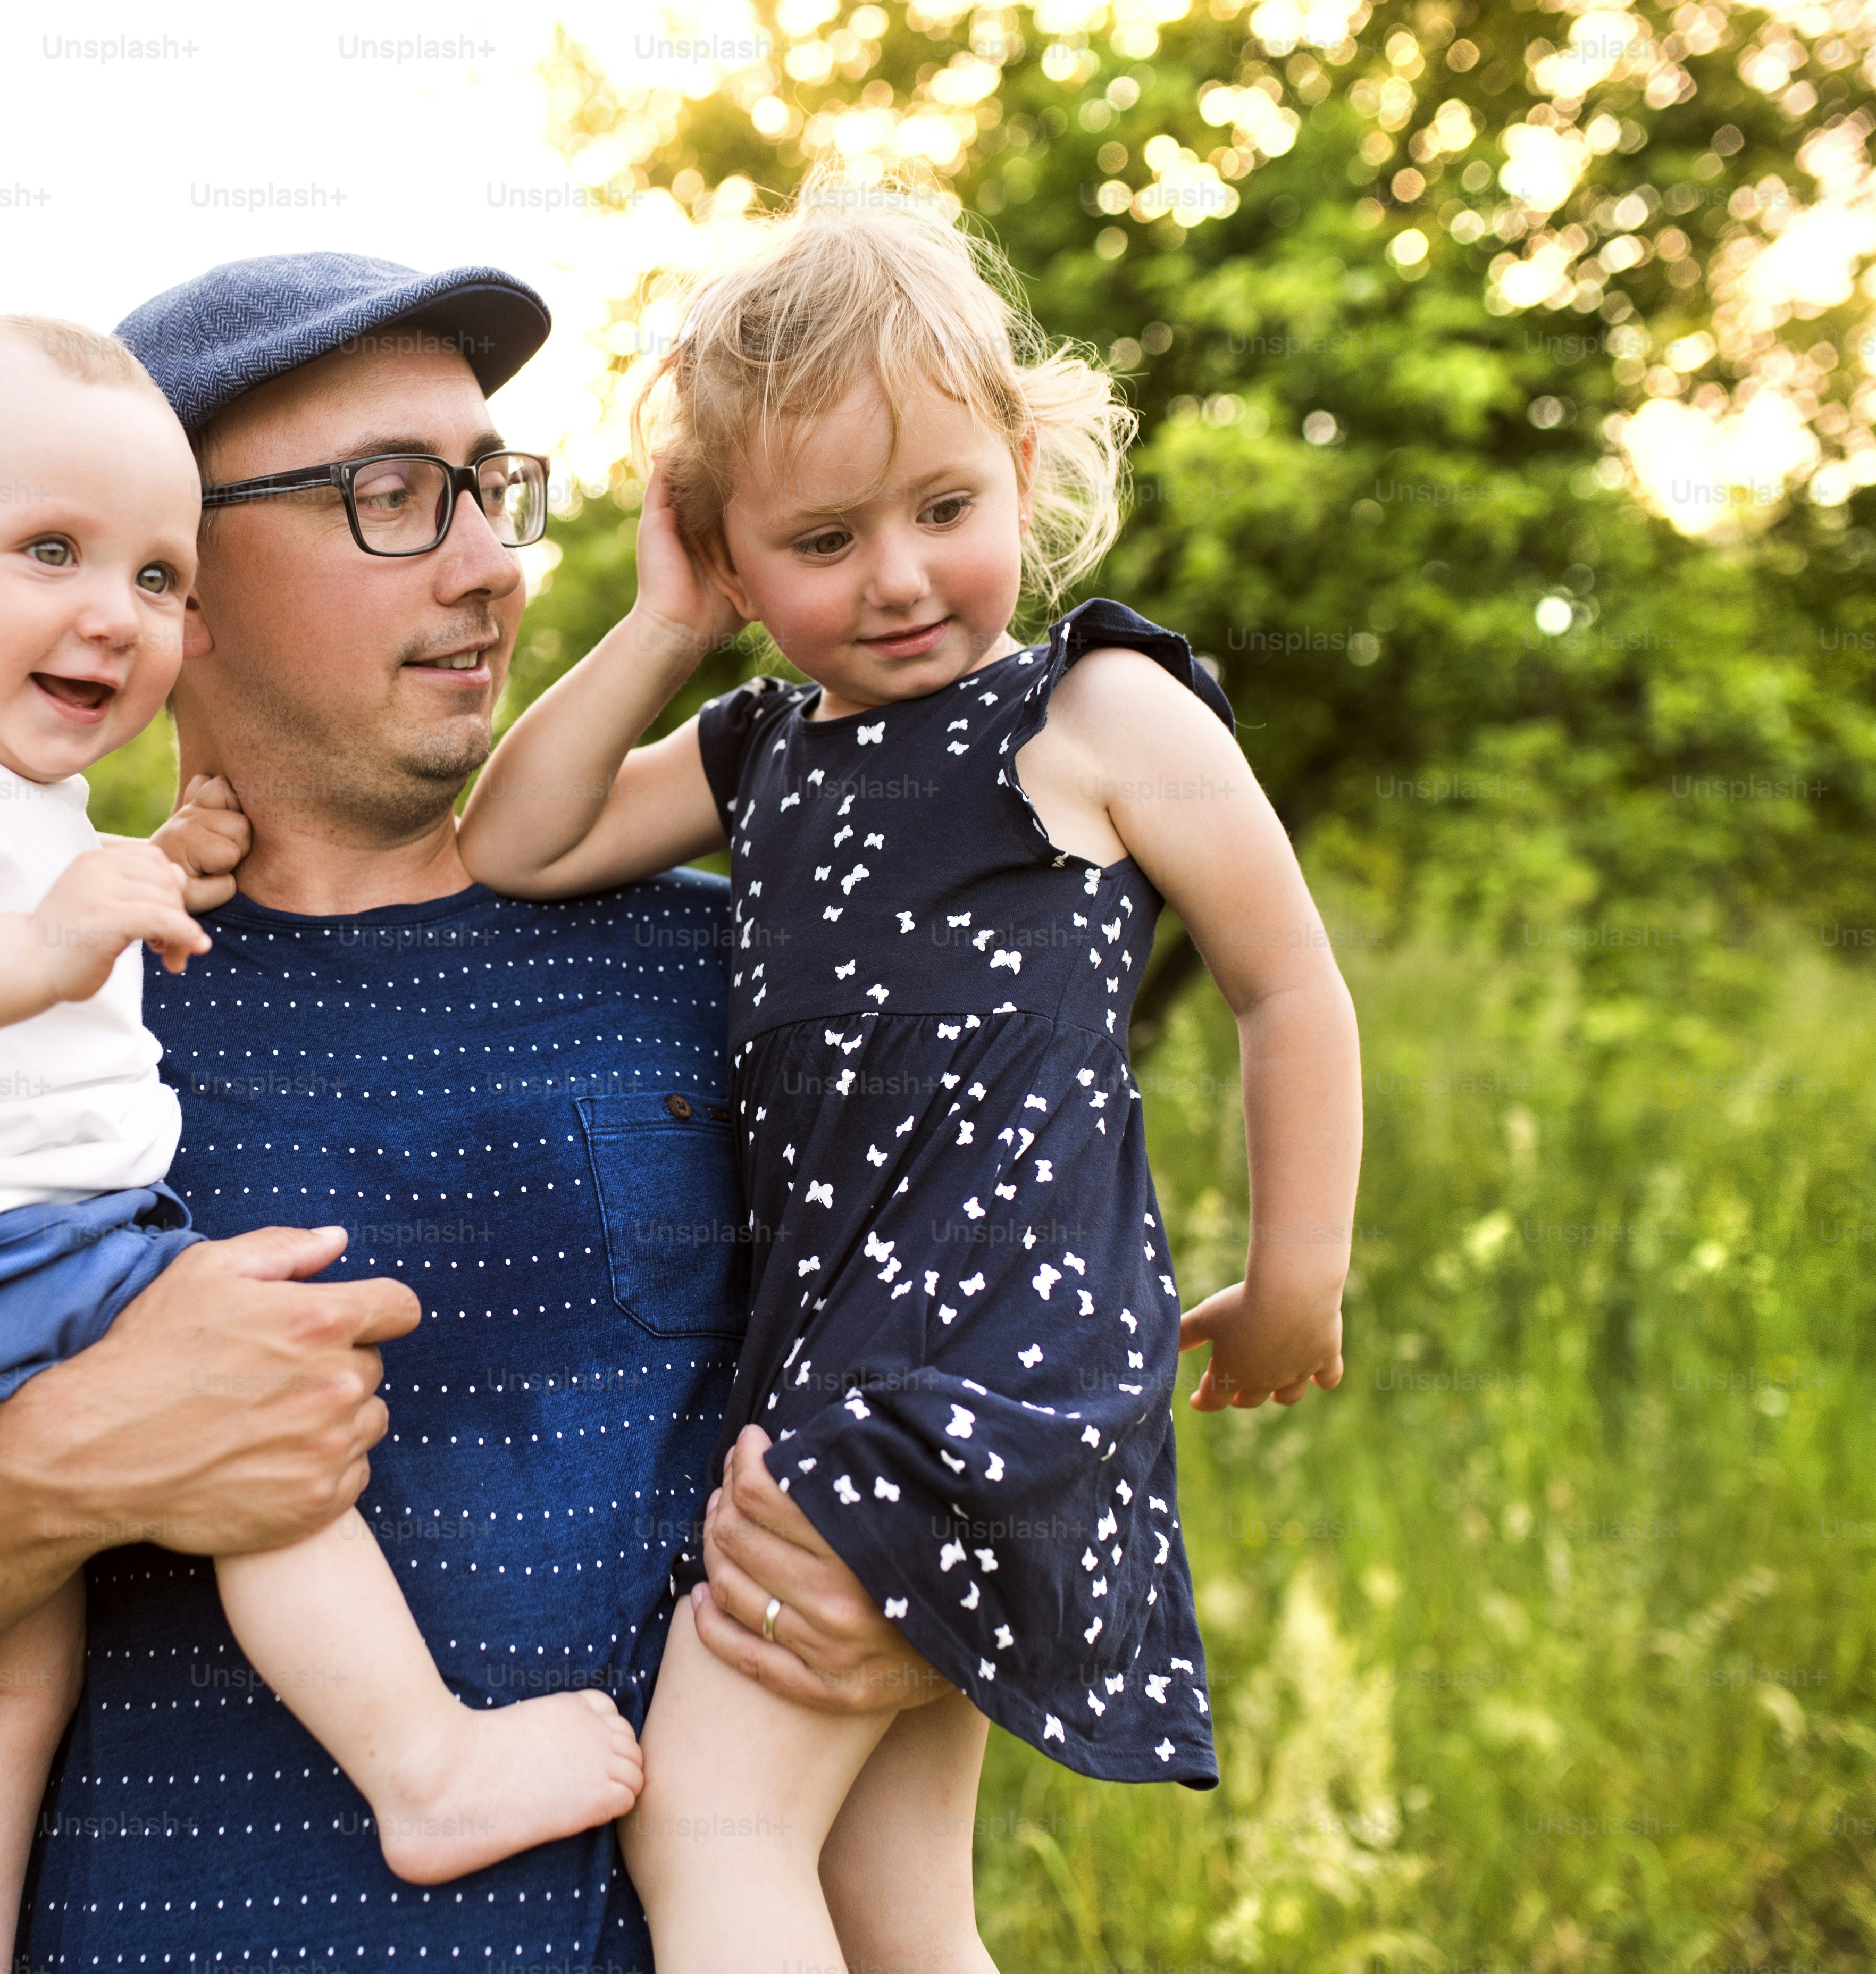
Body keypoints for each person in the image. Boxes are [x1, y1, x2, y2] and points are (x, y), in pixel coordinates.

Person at [0, 255, 947, 1971]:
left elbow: (1029, 1373)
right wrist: (77, 1456)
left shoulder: (743, 966)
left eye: (488, 487)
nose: (491, 564)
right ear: (184, 588)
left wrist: (924, 1601)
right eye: (388, 496)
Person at [457, 191, 1366, 1970]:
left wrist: (1300, 1275)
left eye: (944, 509)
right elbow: (517, 842)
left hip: (984, 1381)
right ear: (730, 556)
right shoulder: (762, 752)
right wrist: (662, 629)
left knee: (709, 1827)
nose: (893, 576)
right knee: (890, 1902)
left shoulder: (1094, 715)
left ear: (1020, 471)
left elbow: (1288, 985)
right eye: (820, 538)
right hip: (845, 1367)